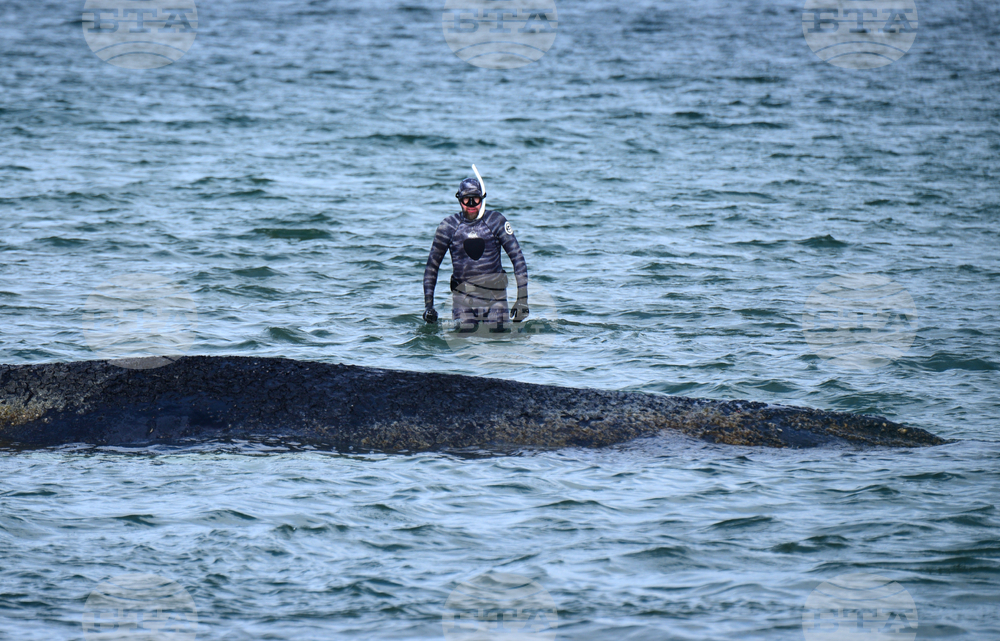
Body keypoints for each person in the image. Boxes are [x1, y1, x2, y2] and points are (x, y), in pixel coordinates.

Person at [423, 177, 528, 329]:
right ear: (459, 200)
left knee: (497, 344)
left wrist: (522, 300)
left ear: (482, 199)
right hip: (463, 300)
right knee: (464, 346)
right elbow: (432, 267)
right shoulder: (448, 226)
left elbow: (518, 260)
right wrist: (428, 306)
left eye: (476, 199)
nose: (471, 205)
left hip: (495, 299)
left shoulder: (496, 221)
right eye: (467, 200)